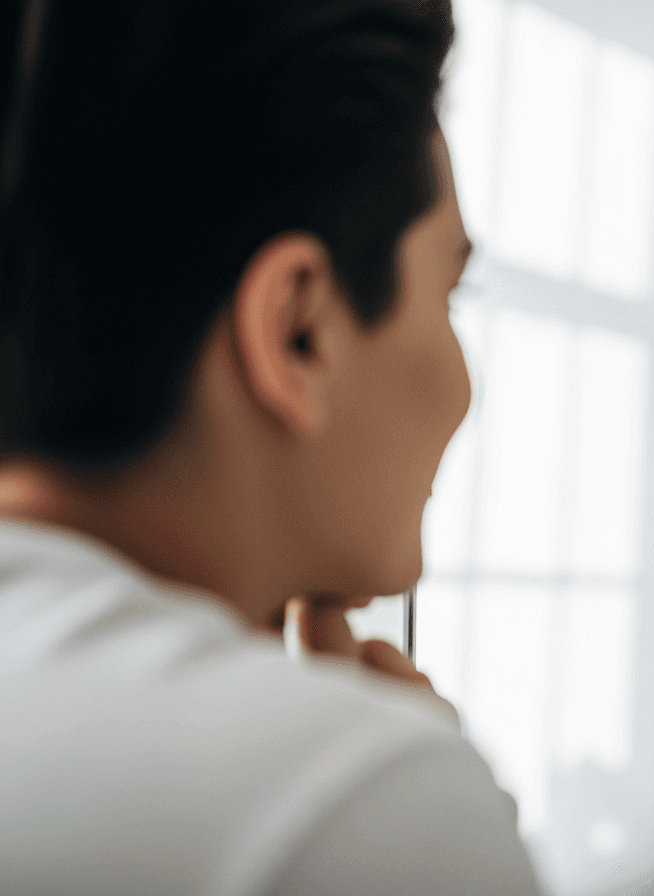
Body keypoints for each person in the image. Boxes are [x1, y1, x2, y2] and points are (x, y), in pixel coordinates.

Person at [0, 0, 542, 892]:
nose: (465, 389)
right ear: (299, 333)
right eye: (448, 294)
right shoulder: (357, 804)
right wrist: (404, 792)